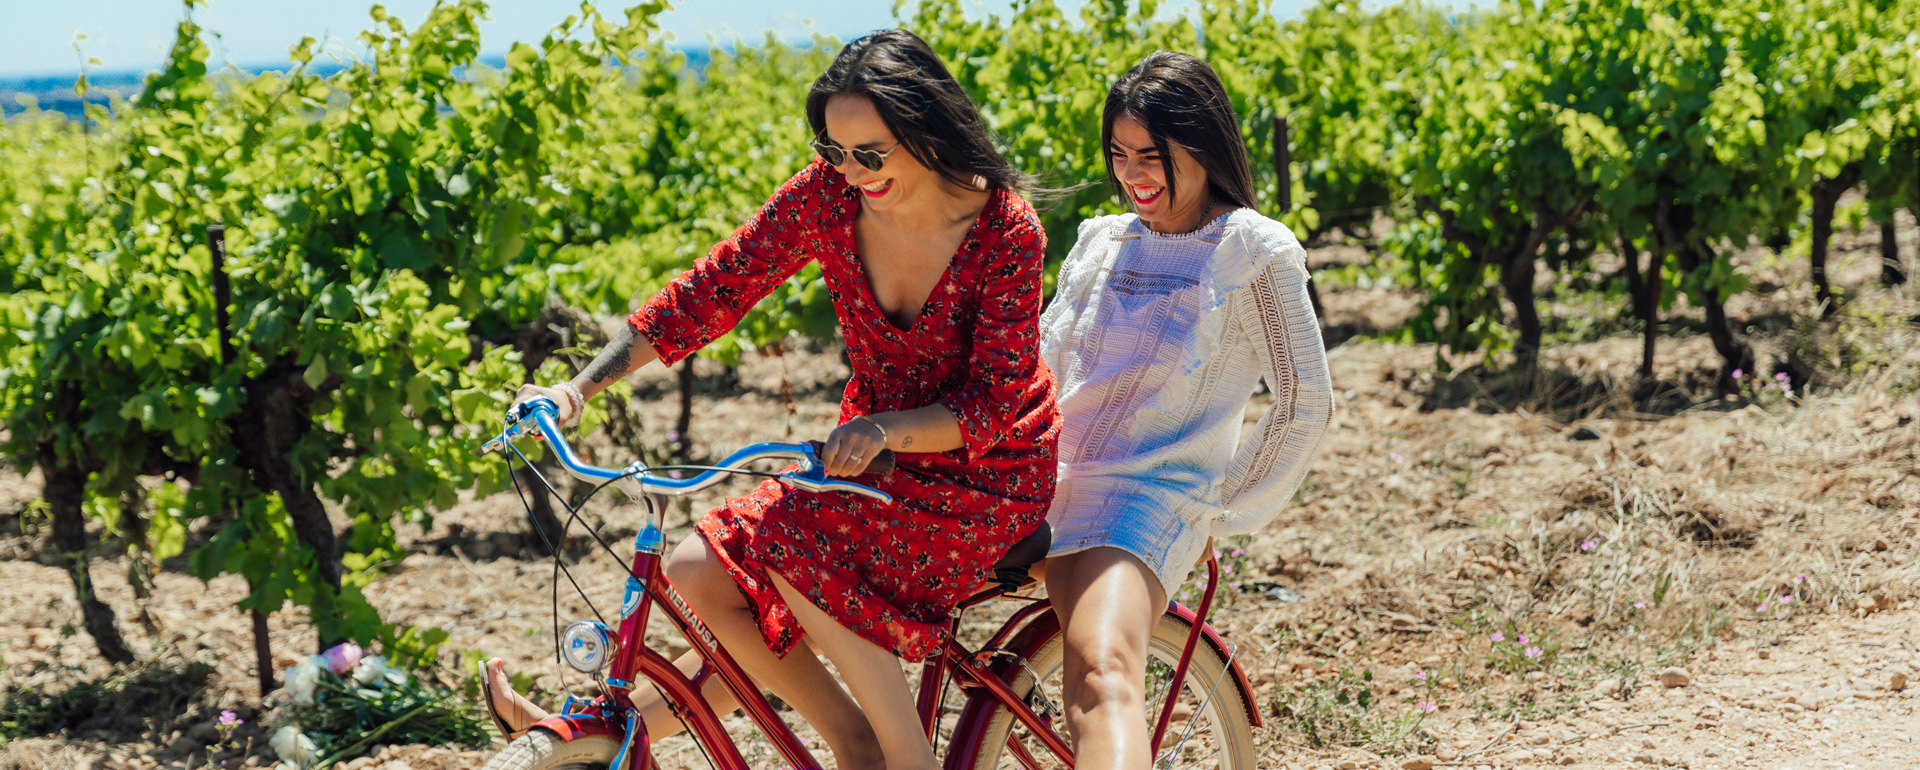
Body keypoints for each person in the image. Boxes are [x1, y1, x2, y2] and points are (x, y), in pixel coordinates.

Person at [482, 30, 1059, 770]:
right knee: (699, 568)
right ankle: (853, 744)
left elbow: (991, 407)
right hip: (877, 459)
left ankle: (901, 756)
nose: (851, 172)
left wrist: (883, 428)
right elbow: (713, 291)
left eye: (871, 153)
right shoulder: (827, 199)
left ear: (926, 128)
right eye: (835, 153)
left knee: (793, 547)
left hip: (988, 474)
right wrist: (577, 387)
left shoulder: (1006, 229)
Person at [1035, 52, 1333, 769]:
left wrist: (1219, 511)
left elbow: (1304, 400)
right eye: (1119, 154)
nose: (1133, 174)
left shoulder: (1248, 250)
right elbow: (1042, 372)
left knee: (1101, 674)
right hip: (1046, 490)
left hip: (1147, 501)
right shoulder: (1100, 243)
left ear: (1203, 147)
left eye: (1153, 156)